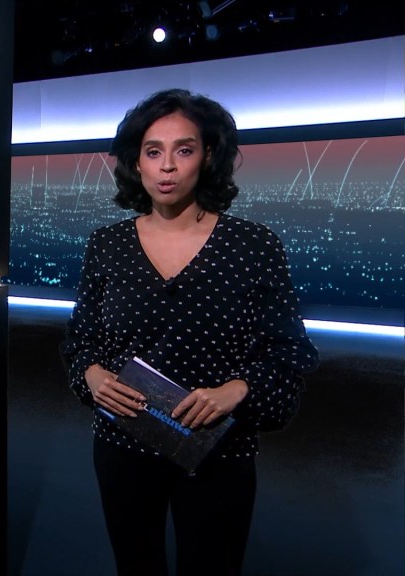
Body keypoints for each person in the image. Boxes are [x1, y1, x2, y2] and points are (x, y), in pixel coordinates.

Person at [60, 88, 319, 576]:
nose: (167, 166)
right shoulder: (107, 245)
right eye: (153, 151)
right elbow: (81, 338)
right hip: (123, 444)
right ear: (136, 162)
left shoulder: (253, 246)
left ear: (209, 156)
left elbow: (289, 351)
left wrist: (236, 390)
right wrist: (91, 375)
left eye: (184, 150)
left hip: (219, 448)